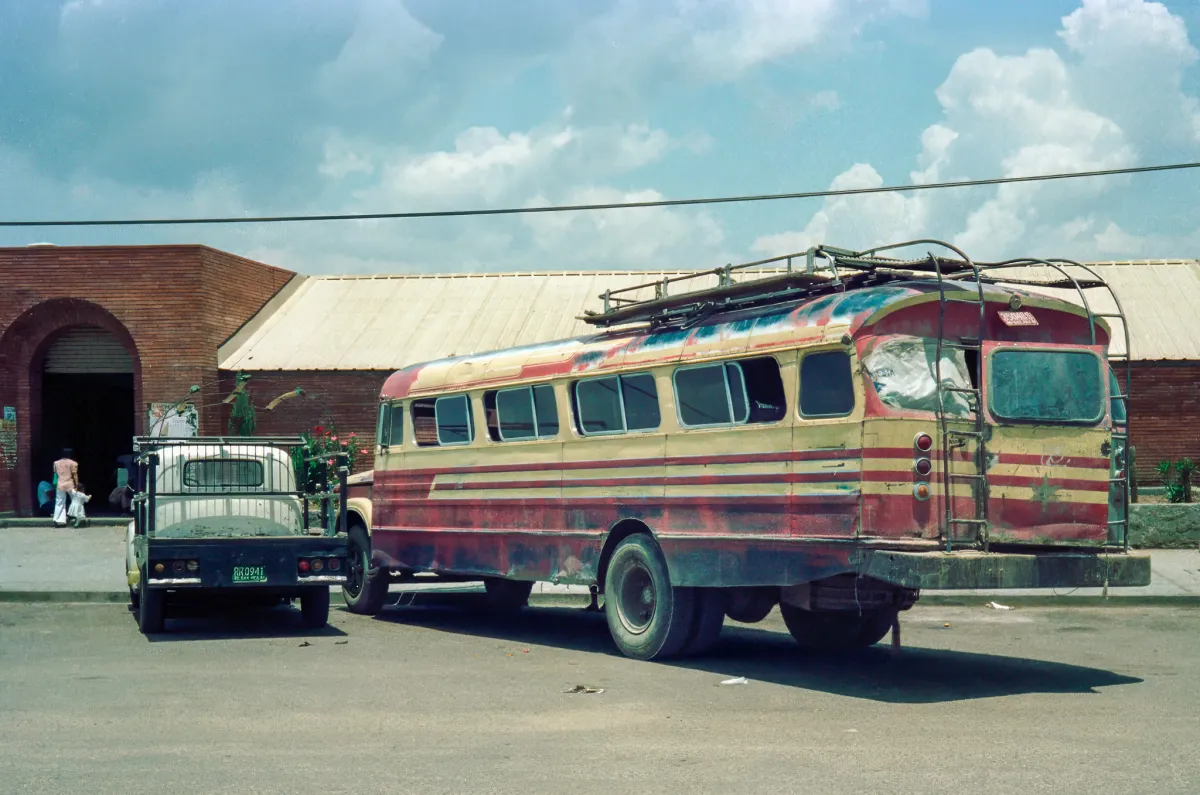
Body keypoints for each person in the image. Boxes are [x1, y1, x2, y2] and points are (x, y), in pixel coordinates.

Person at [52, 448, 79, 528]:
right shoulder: (73, 463)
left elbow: (55, 474)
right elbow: (75, 475)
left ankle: (58, 520)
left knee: (59, 502)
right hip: (70, 484)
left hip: (60, 484)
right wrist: (77, 485)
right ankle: (75, 517)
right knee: (75, 500)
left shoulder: (56, 463)